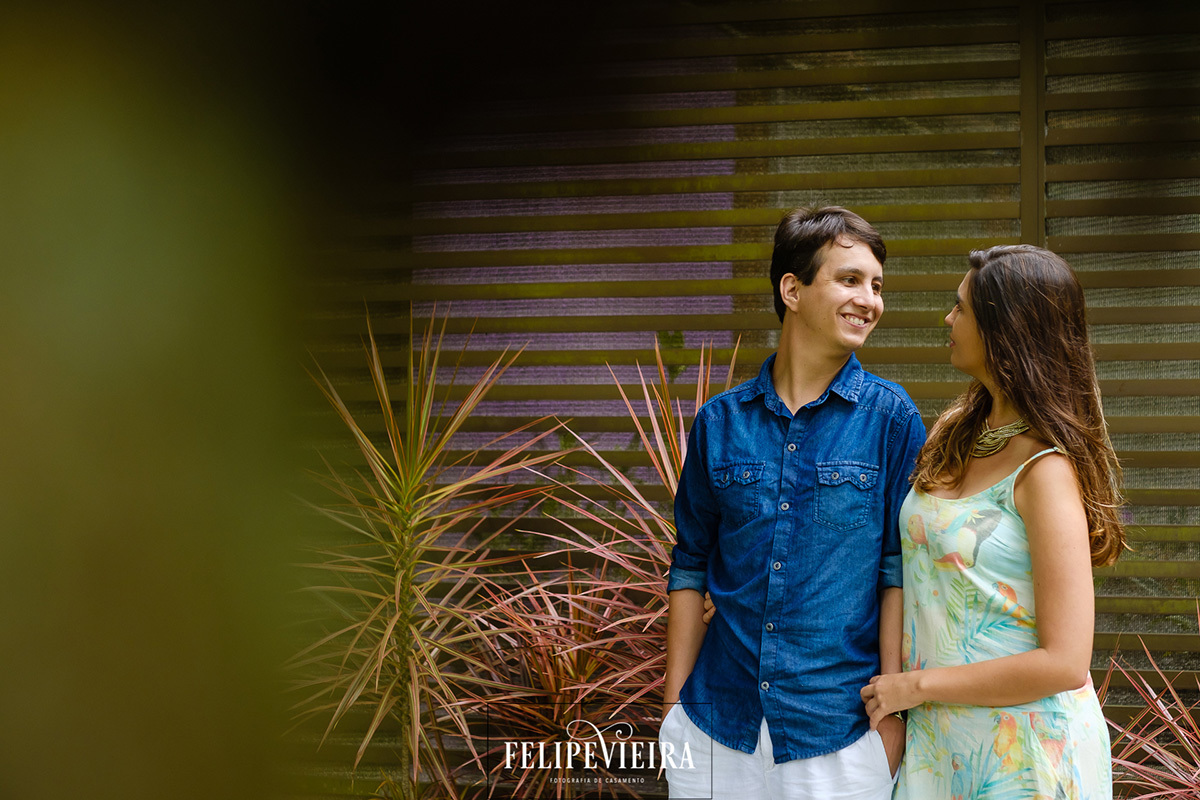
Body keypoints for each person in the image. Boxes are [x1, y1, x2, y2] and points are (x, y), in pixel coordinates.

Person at [661, 206, 927, 799]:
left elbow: (898, 571)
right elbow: (690, 564)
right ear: (792, 290)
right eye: (850, 279)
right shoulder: (719, 423)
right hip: (713, 728)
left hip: (838, 735)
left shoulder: (892, 420)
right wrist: (675, 704)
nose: (869, 300)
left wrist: (891, 723)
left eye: (877, 286)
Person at [860, 244, 1124, 799]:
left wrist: (915, 686)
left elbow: (1066, 661)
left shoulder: (1045, 470)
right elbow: (895, 560)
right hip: (940, 745)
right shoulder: (956, 433)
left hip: (1024, 756)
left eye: (961, 308)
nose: (947, 319)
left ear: (1005, 330)